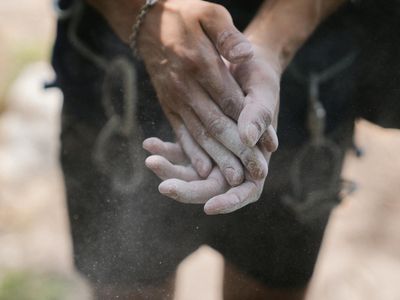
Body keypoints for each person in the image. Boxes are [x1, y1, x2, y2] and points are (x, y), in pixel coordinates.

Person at [52, 0, 394, 298]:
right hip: (115, 80)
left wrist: (271, 45)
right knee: (124, 291)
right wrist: (143, 16)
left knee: (271, 287)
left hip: (301, 90)